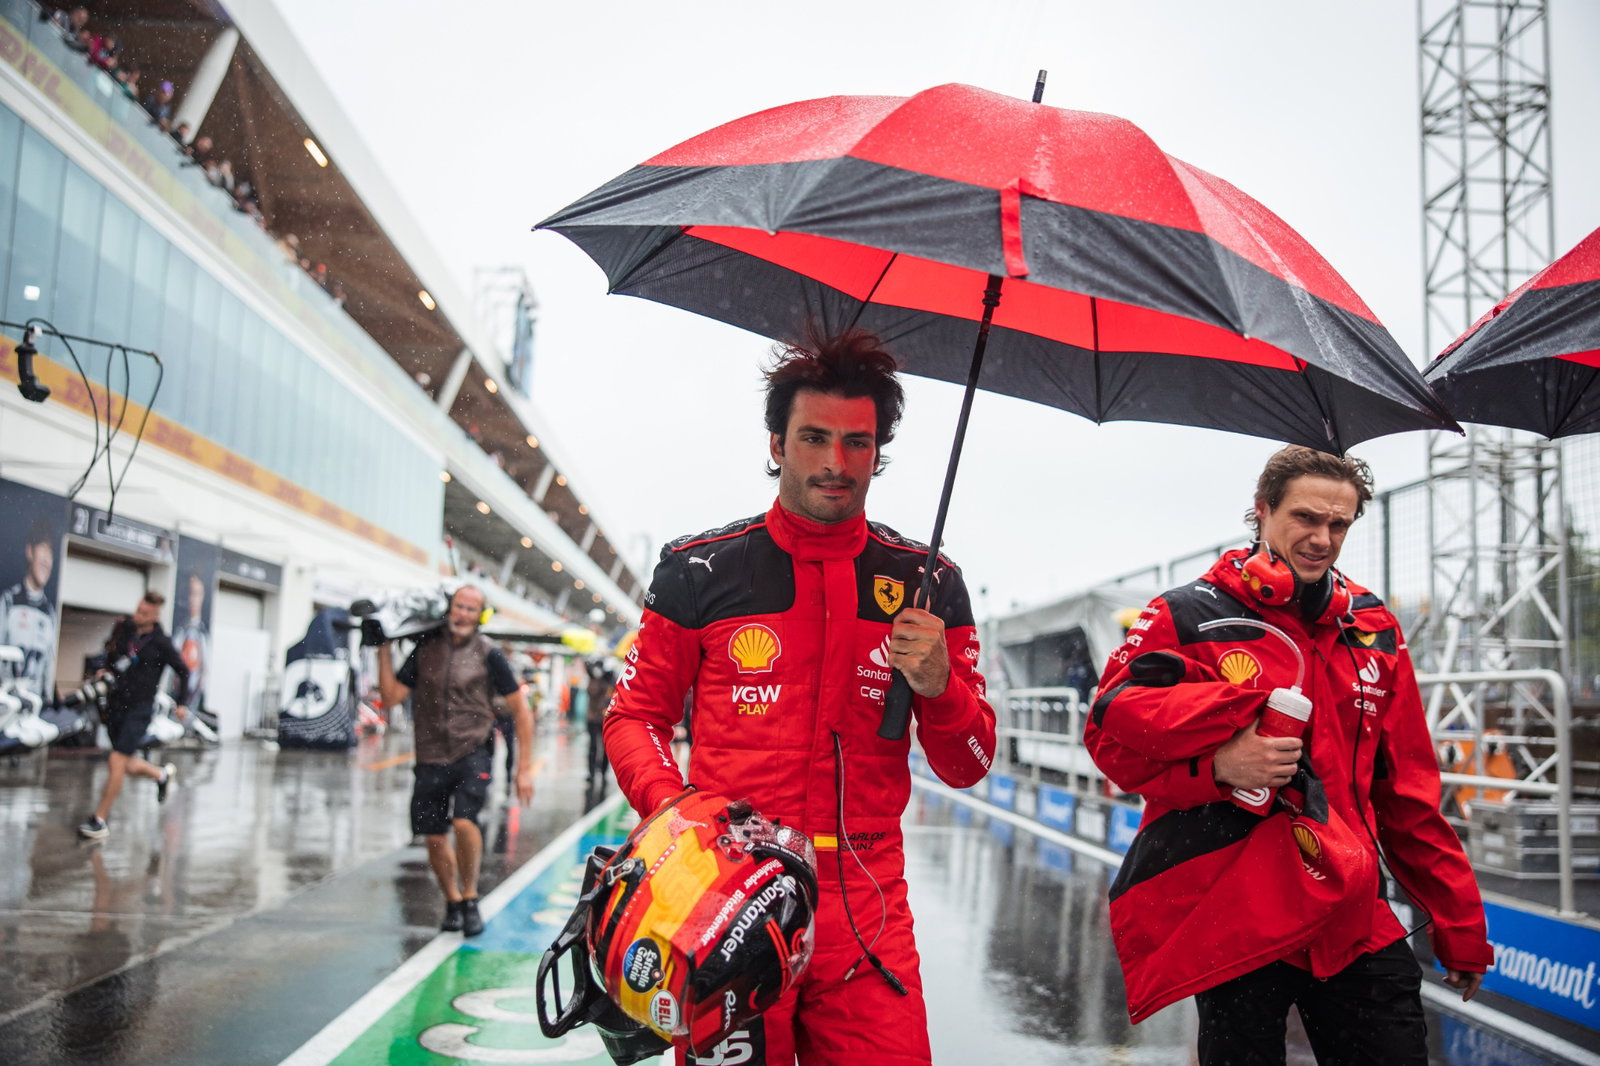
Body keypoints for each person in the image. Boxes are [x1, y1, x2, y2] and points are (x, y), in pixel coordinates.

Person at [604, 328, 995, 1066]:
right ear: (777, 442)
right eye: (814, 437)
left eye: (857, 442)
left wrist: (941, 687)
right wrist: (682, 818)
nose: (835, 462)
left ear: (879, 451)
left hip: (868, 902)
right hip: (727, 894)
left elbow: (970, 762)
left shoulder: (930, 582)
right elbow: (635, 717)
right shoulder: (699, 570)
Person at [1084, 445, 1493, 1065]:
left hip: (1354, 911)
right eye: (1305, 518)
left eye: (1339, 524)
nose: (1322, 538)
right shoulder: (1188, 613)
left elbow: (1407, 788)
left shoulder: (1374, 625)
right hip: (1238, 912)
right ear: (1262, 511)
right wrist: (1219, 768)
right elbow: (1110, 740)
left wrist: (1459, 921)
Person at [375, 584, 534, 937]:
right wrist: (382, 649)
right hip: (429, 754)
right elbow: (390, 697)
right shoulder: (424, 649)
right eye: (458, 606)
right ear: (449, 609)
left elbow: (522, 712)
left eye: (470, 609)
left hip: (471, 749)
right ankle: (452, 900)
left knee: (464, 822)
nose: (463, 614)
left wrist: (523, 768)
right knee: (433, 836)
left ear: (480, 616)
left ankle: (471, 895)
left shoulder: (490, 654)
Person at [77, 591, 190, 841]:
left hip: (140, 708)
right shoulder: (125, 629)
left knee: (116, 761)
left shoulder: (161, 642)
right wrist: (103, 670)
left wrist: (181, 703)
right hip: (117, 705)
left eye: (144, 613)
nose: (138, 615)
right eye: (138, 609)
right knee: (125, 764)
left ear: (154, 616)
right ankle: (161, 775)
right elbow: (110, 655)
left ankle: (100, 820)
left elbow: (184, 671)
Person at [1, 517, 58, 704]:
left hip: (33, 709)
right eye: (43, 548)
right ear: (30, 551)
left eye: (51, 552)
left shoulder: (49, 613)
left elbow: (49, 666)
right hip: (6, 707)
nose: (46, 560)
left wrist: (48, 700)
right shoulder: (9, 602)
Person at [582, 657, 615, 783]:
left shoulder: (610, 679)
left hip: (604, 718)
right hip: (592, 717)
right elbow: (586, 665)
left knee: (605, 747)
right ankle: (591, 772)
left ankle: (603, 772)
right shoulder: (592, 677)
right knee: (593, 746)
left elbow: (612, 694)